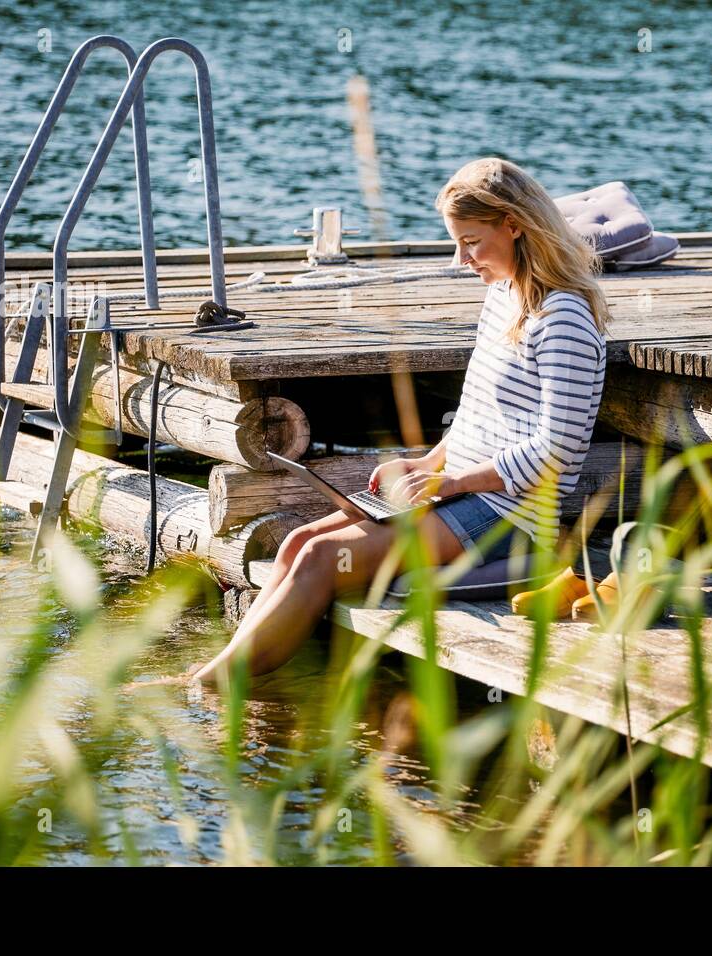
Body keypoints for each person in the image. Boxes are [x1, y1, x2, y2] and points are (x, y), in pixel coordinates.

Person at [190, 157, 610, 686]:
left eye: (471, 242)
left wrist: (456, 480)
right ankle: (217, 672)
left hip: (511, 516)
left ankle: (210, 689)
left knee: (323, 558)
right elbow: (482, 413)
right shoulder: (503, 295)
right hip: (462, 496)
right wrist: (432, 460)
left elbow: (560, 450)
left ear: (514, 225)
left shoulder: (562, 317)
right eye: (457, 243)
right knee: (297, 543)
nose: (461, 259)